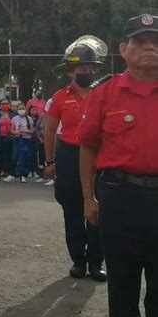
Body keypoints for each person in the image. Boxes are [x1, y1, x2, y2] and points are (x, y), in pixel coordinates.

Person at [78, 13, 158, 317]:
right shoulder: (104, 93)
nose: (150, 47)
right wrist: (88, 199)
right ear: (123, 49)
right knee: (122, 285)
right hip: (119, 198)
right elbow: (87, 147)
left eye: (155, 42)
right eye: (140, 41)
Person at [44, 39, 106, 282]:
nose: (88, 72)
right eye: (82, 69)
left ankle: (96, 262)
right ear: (70, 71)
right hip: (69, 154)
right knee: (72, 208)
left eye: (92, 68)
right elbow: (50, 131)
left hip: (98, 155)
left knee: (98, 208)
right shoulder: (59, 98)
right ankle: (78, 260)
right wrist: (49, 161)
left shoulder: (102, 94)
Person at [4, 102, 34, 183]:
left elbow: (32, 130)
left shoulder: (29, 119)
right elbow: (12, 130)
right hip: (18, 139)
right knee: (14, 156)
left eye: (23, 109)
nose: (21, 110)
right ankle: (12, 174)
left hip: (26, 139)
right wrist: (16, 132)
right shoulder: (15, 119)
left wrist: (26, 131)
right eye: (19, 109)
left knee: (24, 157)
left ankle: (23, 175)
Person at [0, 99, 14, 181]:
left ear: (9, 105)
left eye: (6, 103)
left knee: (9, 155)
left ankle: (9, 172)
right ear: (0, 105)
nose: (4, 105)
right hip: (0, 137)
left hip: (10, 137)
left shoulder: (12, 114)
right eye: (2, 104)